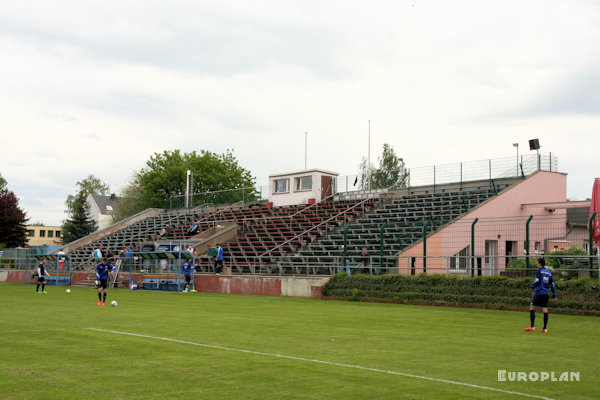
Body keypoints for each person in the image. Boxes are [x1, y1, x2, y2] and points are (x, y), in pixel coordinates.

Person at [524, 258, 557, 332]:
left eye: (537, 263)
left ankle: (532, 326)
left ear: (539, 264)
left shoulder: (539, 271)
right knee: (545, 310)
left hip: (539, 292)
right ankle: (544, 328)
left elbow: (538, 281)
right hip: (546, 293)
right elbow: (552, 284)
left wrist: (532, 286)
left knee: (532, 307)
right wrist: (554, 295)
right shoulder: (549, 273)